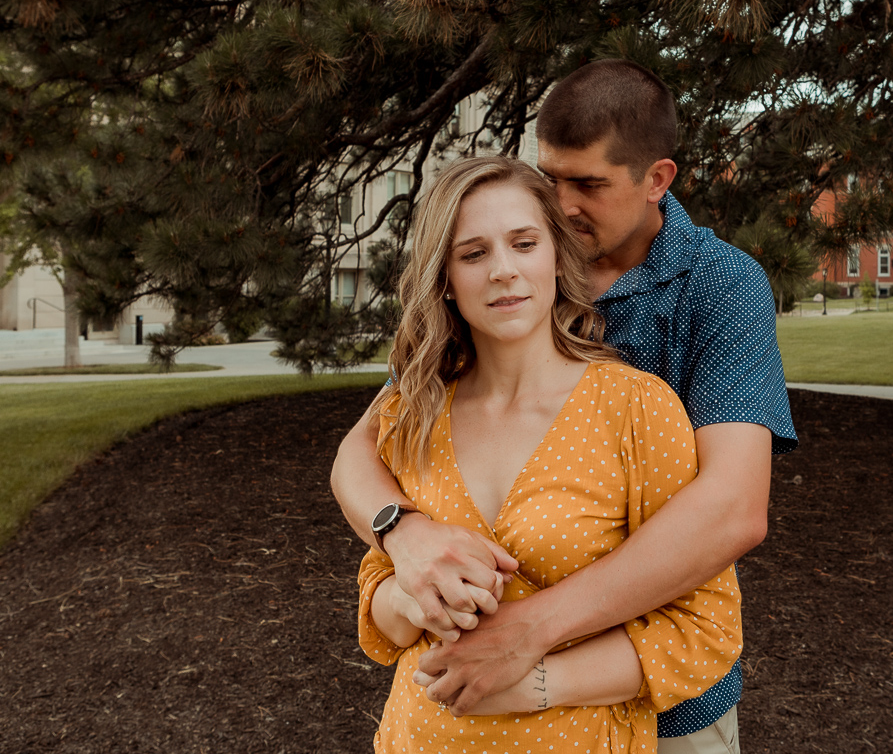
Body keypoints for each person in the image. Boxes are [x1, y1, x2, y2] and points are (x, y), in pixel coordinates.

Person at [333, 59, 797, 753]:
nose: (560, 203)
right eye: (550, 178)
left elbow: (731, 510)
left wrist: (530, 639)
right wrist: (403, 535)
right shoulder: (497, 296)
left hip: (660, 711)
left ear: (656, 180)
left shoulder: (717, 287)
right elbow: (361, 450)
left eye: (588, 185)